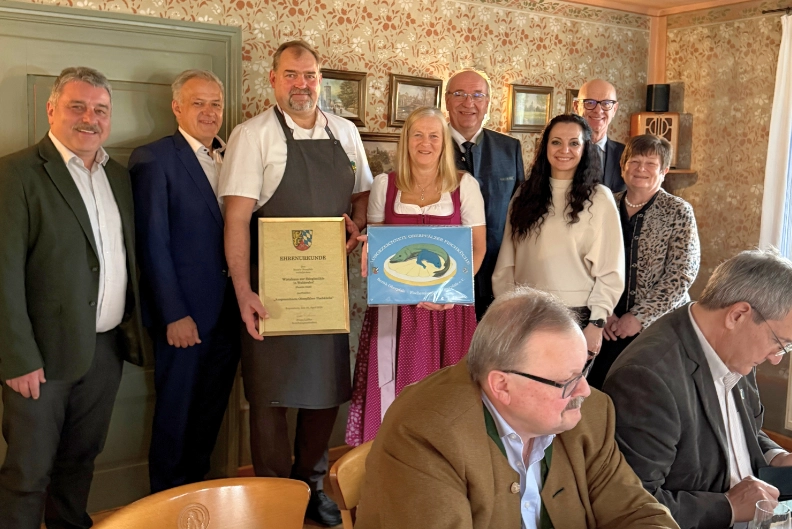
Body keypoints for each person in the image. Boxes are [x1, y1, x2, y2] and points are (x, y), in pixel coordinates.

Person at [354, 286, 679, 529]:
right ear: (502, 386)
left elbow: (636, 512)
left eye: (583, 370)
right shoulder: (425, 433)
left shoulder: (591, 415)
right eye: (566, 381)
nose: (584, 390)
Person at [219, 40, 372, 527]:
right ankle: (273, 496)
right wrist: (243, 291)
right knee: (270, 395)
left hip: (325, 288)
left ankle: (311, 485)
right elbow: (236, 219)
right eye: (291, 74)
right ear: (273, 79)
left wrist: (356, 225)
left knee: (324, 391)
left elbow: (363, 195)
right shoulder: (252, 135)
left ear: (319, 79)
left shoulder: (344, 132)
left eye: (309, 75)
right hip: (271, 289)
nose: (301, 84)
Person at [0, 67, 144, 529]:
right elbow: (3, 273)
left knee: (80, 460)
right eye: (77, 106)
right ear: (51, 109)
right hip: (40, 358)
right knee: (27, 472)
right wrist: (17, 358)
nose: (90, 118)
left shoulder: (118, 177)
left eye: (100, 110)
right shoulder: (16, 173)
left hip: (104, 351)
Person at [603, 249, 792, 529]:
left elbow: (739, 429)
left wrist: (776, 456)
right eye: (779, 343)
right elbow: (633, 506)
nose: (776, 358)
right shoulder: (646, 378)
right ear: (738, 315)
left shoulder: (734, 347)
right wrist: (728, 507)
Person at [345, 106, 486, 446]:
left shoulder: (465, 186)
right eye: (418, 135)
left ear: (445, 142)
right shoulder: (385, 185)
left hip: (448, 311)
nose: (426, 143)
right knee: (397, 393)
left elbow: (478, 249)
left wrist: (449, 294)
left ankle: (442, 465)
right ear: (406, 141)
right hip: (396, 310)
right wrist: (369, 248)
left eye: (434, 136)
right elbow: (379, 249)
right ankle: (390, 460)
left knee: (446, 396)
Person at [129, 69, 240, 493]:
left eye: (216, 104)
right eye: (198, 103)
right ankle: (165, 506)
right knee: (175, 418)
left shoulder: (236, 156)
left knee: (210, 415)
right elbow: (152, 245)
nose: (209, 112)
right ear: (176, 107)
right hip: (184, 317)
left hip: (231, 314)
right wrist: (173, 313)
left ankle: (196, 502)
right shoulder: (154, 159)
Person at [492, 114, 624, 354]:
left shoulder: (600, 199)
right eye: (556, 142)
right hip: (526, 313)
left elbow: (611, 270)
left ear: (585, 148)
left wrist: (597, 322)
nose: (564, 150)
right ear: (545, 147)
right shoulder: (524, 194)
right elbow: (507, 263)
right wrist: (507, 310)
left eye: (574, 143)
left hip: (577, 316)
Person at [587, 134, 700, 388]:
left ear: (664, 171)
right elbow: (588, 263)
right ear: (622, 166)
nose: (641, 169)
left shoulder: (678, 211)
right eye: (635, 161)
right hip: (606, 324)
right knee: (598, 391)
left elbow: (682, 273)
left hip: (658, 328)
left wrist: (639, 317)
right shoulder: (606, 205)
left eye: (651, 164)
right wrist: (605, 312)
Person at [446, 69, 525, 319]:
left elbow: (522, 213)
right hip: (445, 276)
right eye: (459, 94)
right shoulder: (430, 147)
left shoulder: (510, 148)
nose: (468, 103)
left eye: (477, 95)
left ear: (488, 102)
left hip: (498, 277)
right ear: (446, 100)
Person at [575, 79, 625, 193]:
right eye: (590, 103)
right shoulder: (563, 153)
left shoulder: (626, 155)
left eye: (606, 103)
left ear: (614, 109)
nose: (598, 110)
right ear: (576, 106)